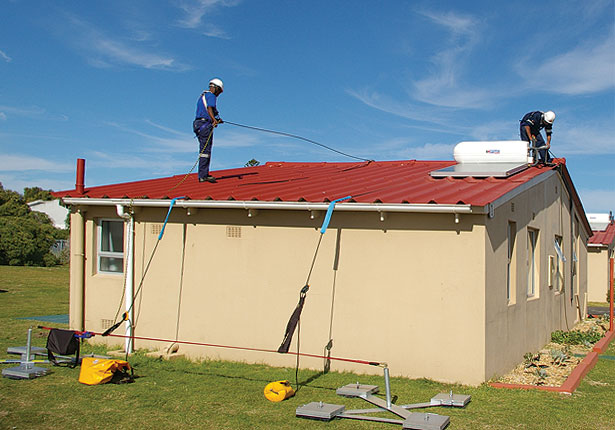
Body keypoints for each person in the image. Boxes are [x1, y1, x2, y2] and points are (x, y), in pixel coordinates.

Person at [193, 78, 224, 182]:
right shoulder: (211, 95)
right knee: (206, 151)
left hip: (198, 124)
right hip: (205, 125)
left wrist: (216, 119)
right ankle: (203, 175)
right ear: (216, 88)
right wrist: (214, 120)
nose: (219, 94)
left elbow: (209, 110)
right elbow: (210, 108)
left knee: (203, 150)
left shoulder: (203, 96)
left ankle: (203, 174)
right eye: (219, 91)